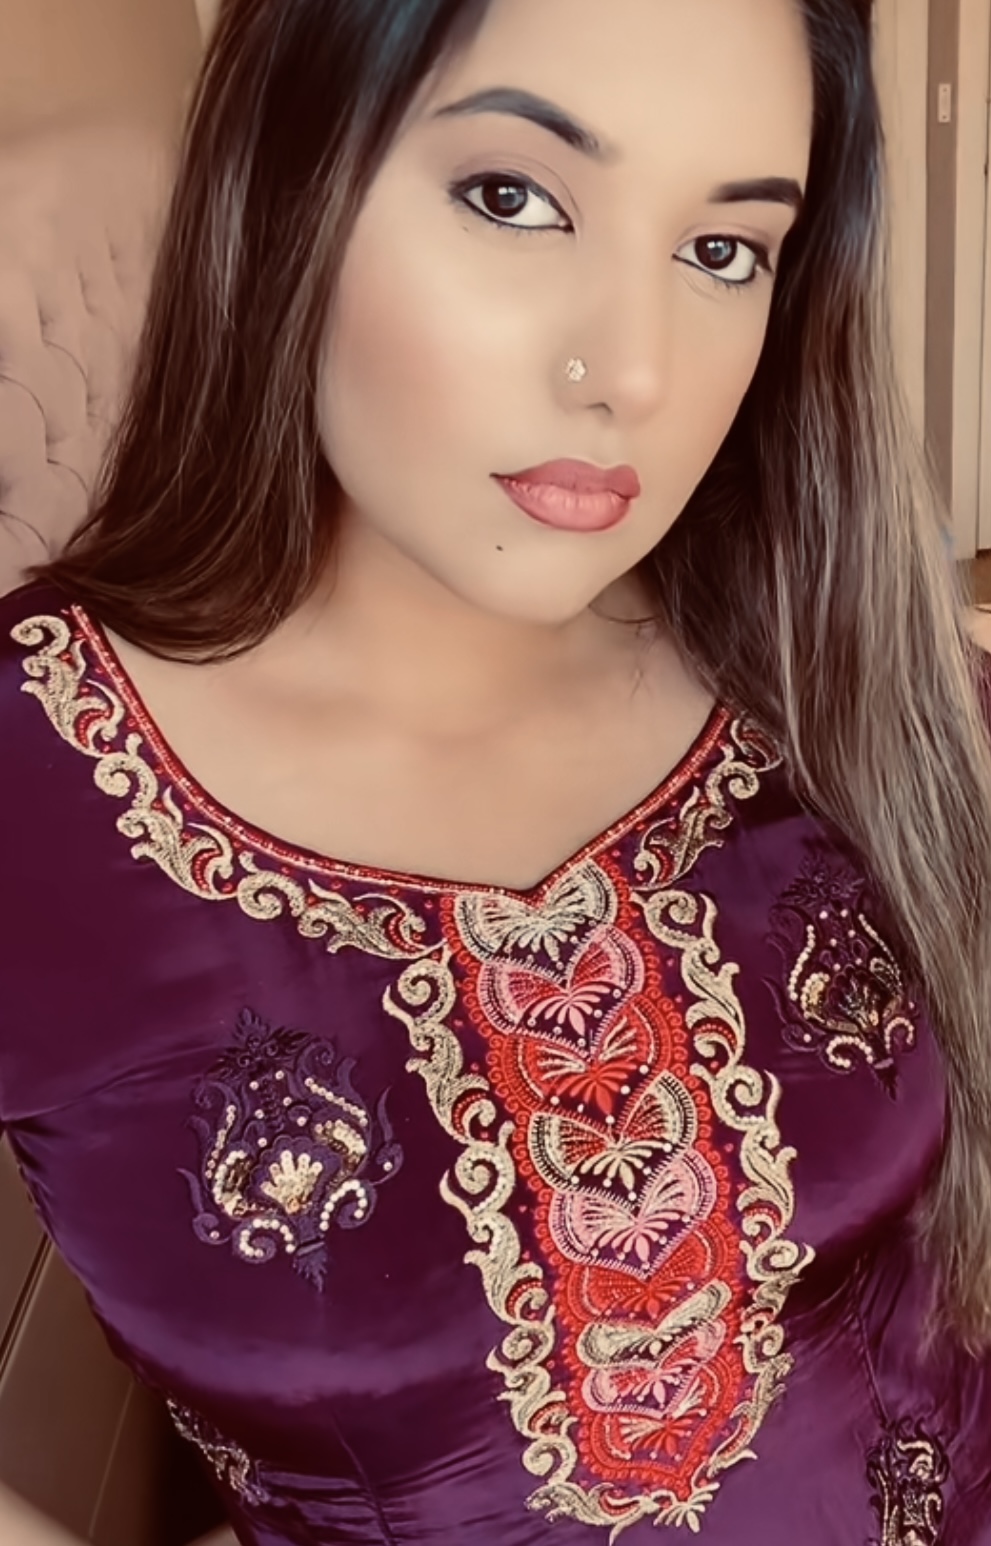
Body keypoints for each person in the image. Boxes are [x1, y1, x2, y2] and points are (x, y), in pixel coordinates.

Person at [2, 0, 991, 1541]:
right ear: (287, 175)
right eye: (513, 196)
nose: (634, 374)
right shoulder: (36, 776)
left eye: (723, 249)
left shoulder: (833, 665)